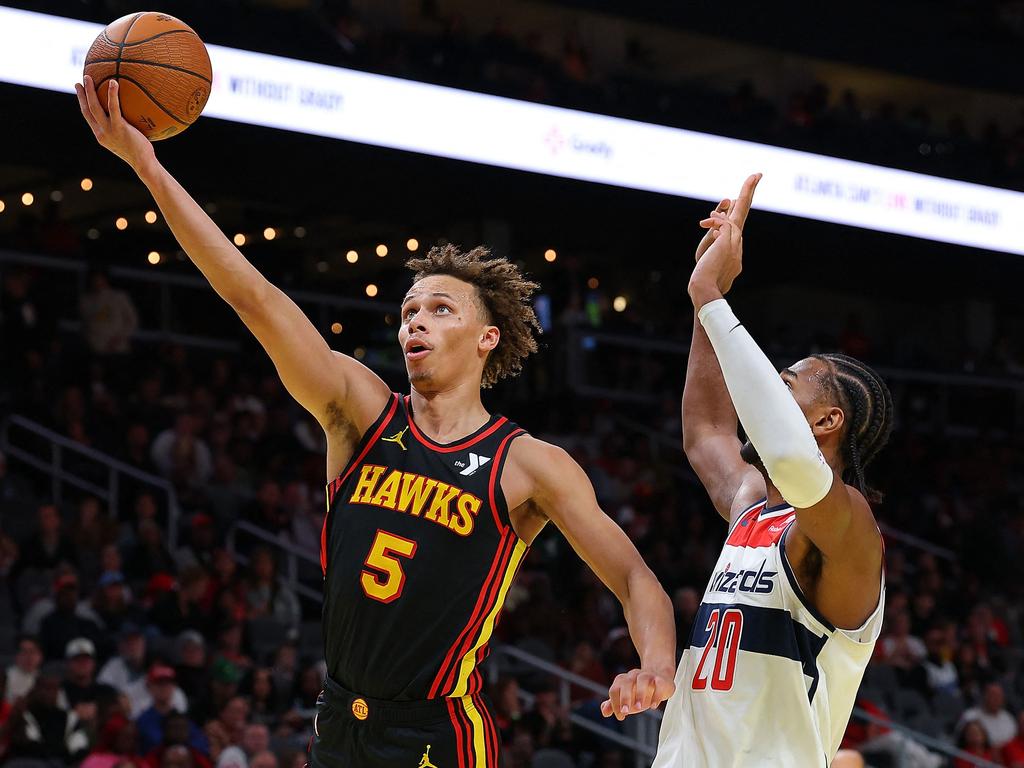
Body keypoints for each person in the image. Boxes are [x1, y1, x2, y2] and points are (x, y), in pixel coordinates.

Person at [76, 75, 676, 767]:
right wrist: (148, 168)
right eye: (408, 310)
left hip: (438, 733)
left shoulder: (527, 464)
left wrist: (655, 665)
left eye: (441, 308)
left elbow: (635, 578)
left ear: (487, 339)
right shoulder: (359, 412)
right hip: (339, 719)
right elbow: (254, 297)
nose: (416, 318)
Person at [653, 175, 892, 767]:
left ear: (827, 420)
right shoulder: (752, 504)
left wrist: (710, 294)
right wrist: (708, 303)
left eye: (783, 387)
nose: (761, 396)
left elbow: (790, 457)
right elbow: (707, 431)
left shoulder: (850, 530)